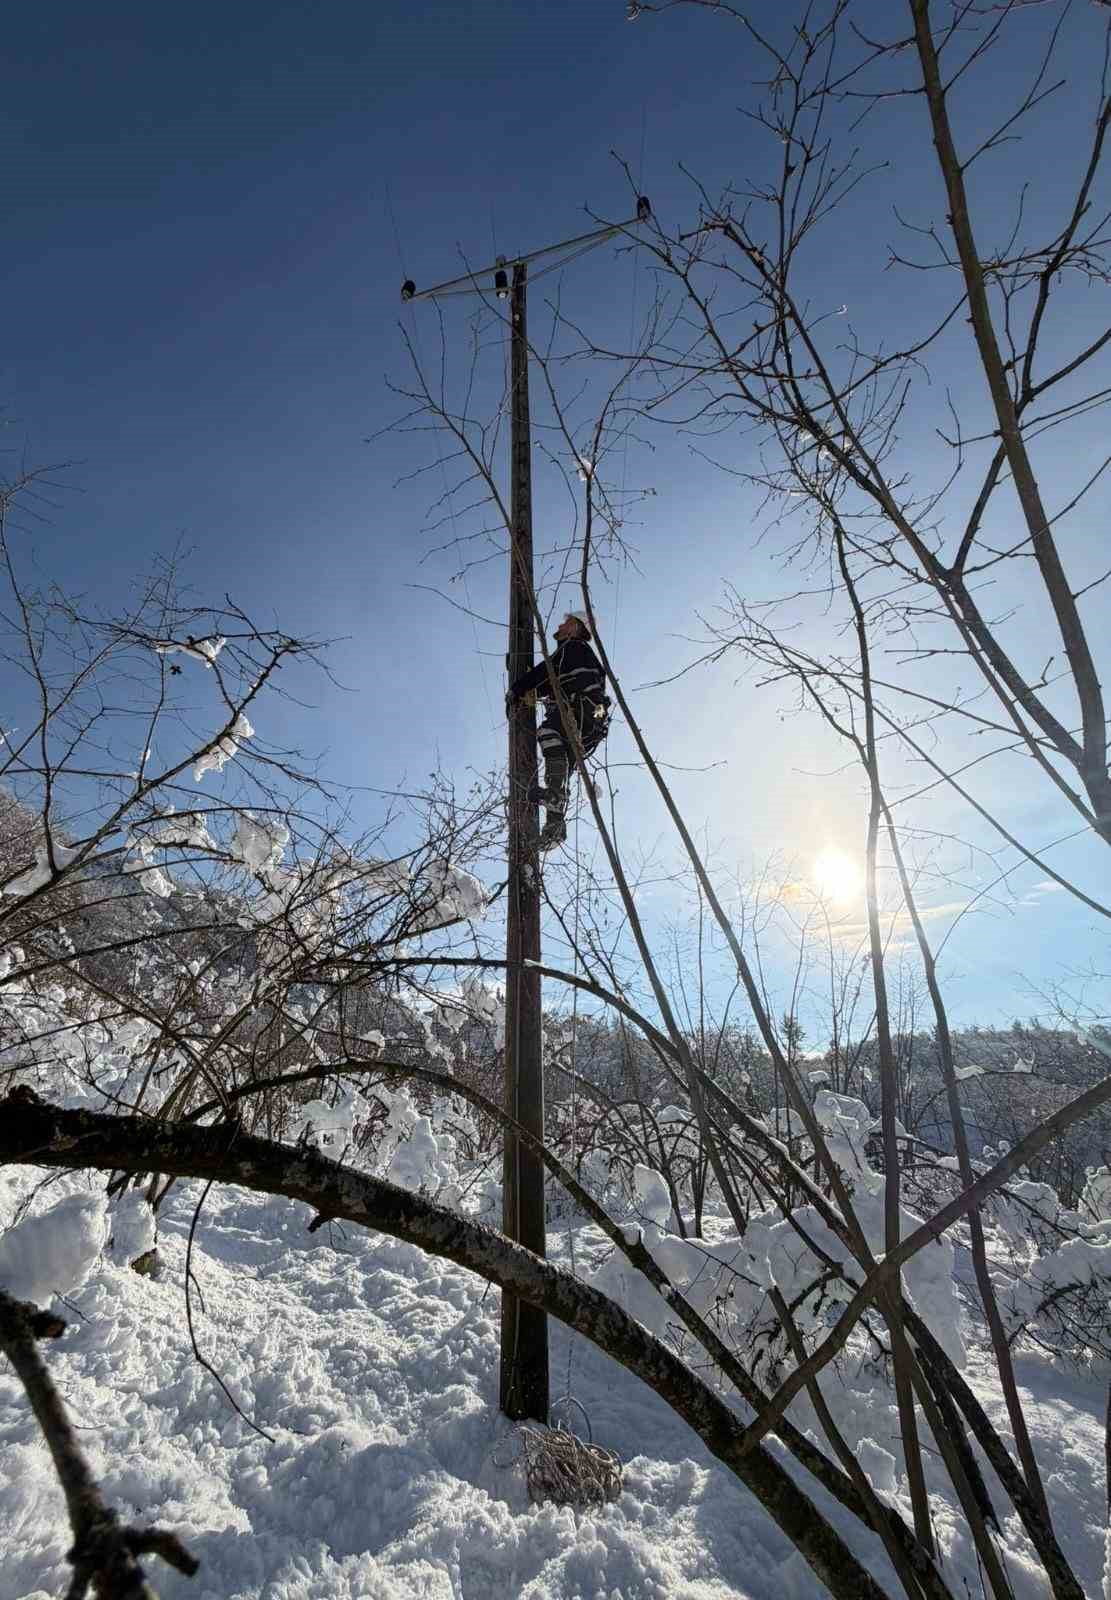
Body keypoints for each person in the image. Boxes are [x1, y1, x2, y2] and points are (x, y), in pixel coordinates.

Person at [506, 612, 609, 848]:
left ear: (576, 628)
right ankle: (555, 827)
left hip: (579, 710)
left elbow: (545, 673)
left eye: (566, 623)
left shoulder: (572, 648)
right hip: (592, 723)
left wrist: (517, 689)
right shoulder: (583, 656)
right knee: (561, 766)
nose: (561, 625)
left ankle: (555, 800)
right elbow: (550, 682)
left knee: (548, 733)